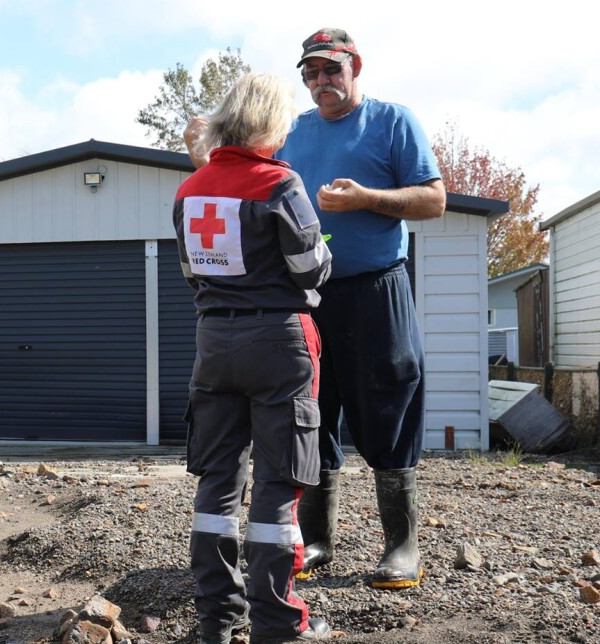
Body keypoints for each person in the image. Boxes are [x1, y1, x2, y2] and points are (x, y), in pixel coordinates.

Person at [185, 28, 445, 591]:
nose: (320, 81)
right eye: (311, 72)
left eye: (331, 69)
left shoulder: (393, 122)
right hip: (305, 297)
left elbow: (433, 199)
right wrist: (197, 155)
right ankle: (317, 537)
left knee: (390, 403)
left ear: (356, 66)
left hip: (379, 288)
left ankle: (402, 546)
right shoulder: (290, 133)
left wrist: (368, 199)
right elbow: (239, 176)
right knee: (312, 409)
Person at [174, 73, 333, 644]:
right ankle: (277, 626)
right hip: (278, 343)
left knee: (216, 483)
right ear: (270, 123)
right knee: (276, 485)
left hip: (213, 343)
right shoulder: (280, 183)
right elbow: (312, 269)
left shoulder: (190, 190)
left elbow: (193, 273)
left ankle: (216, 622)